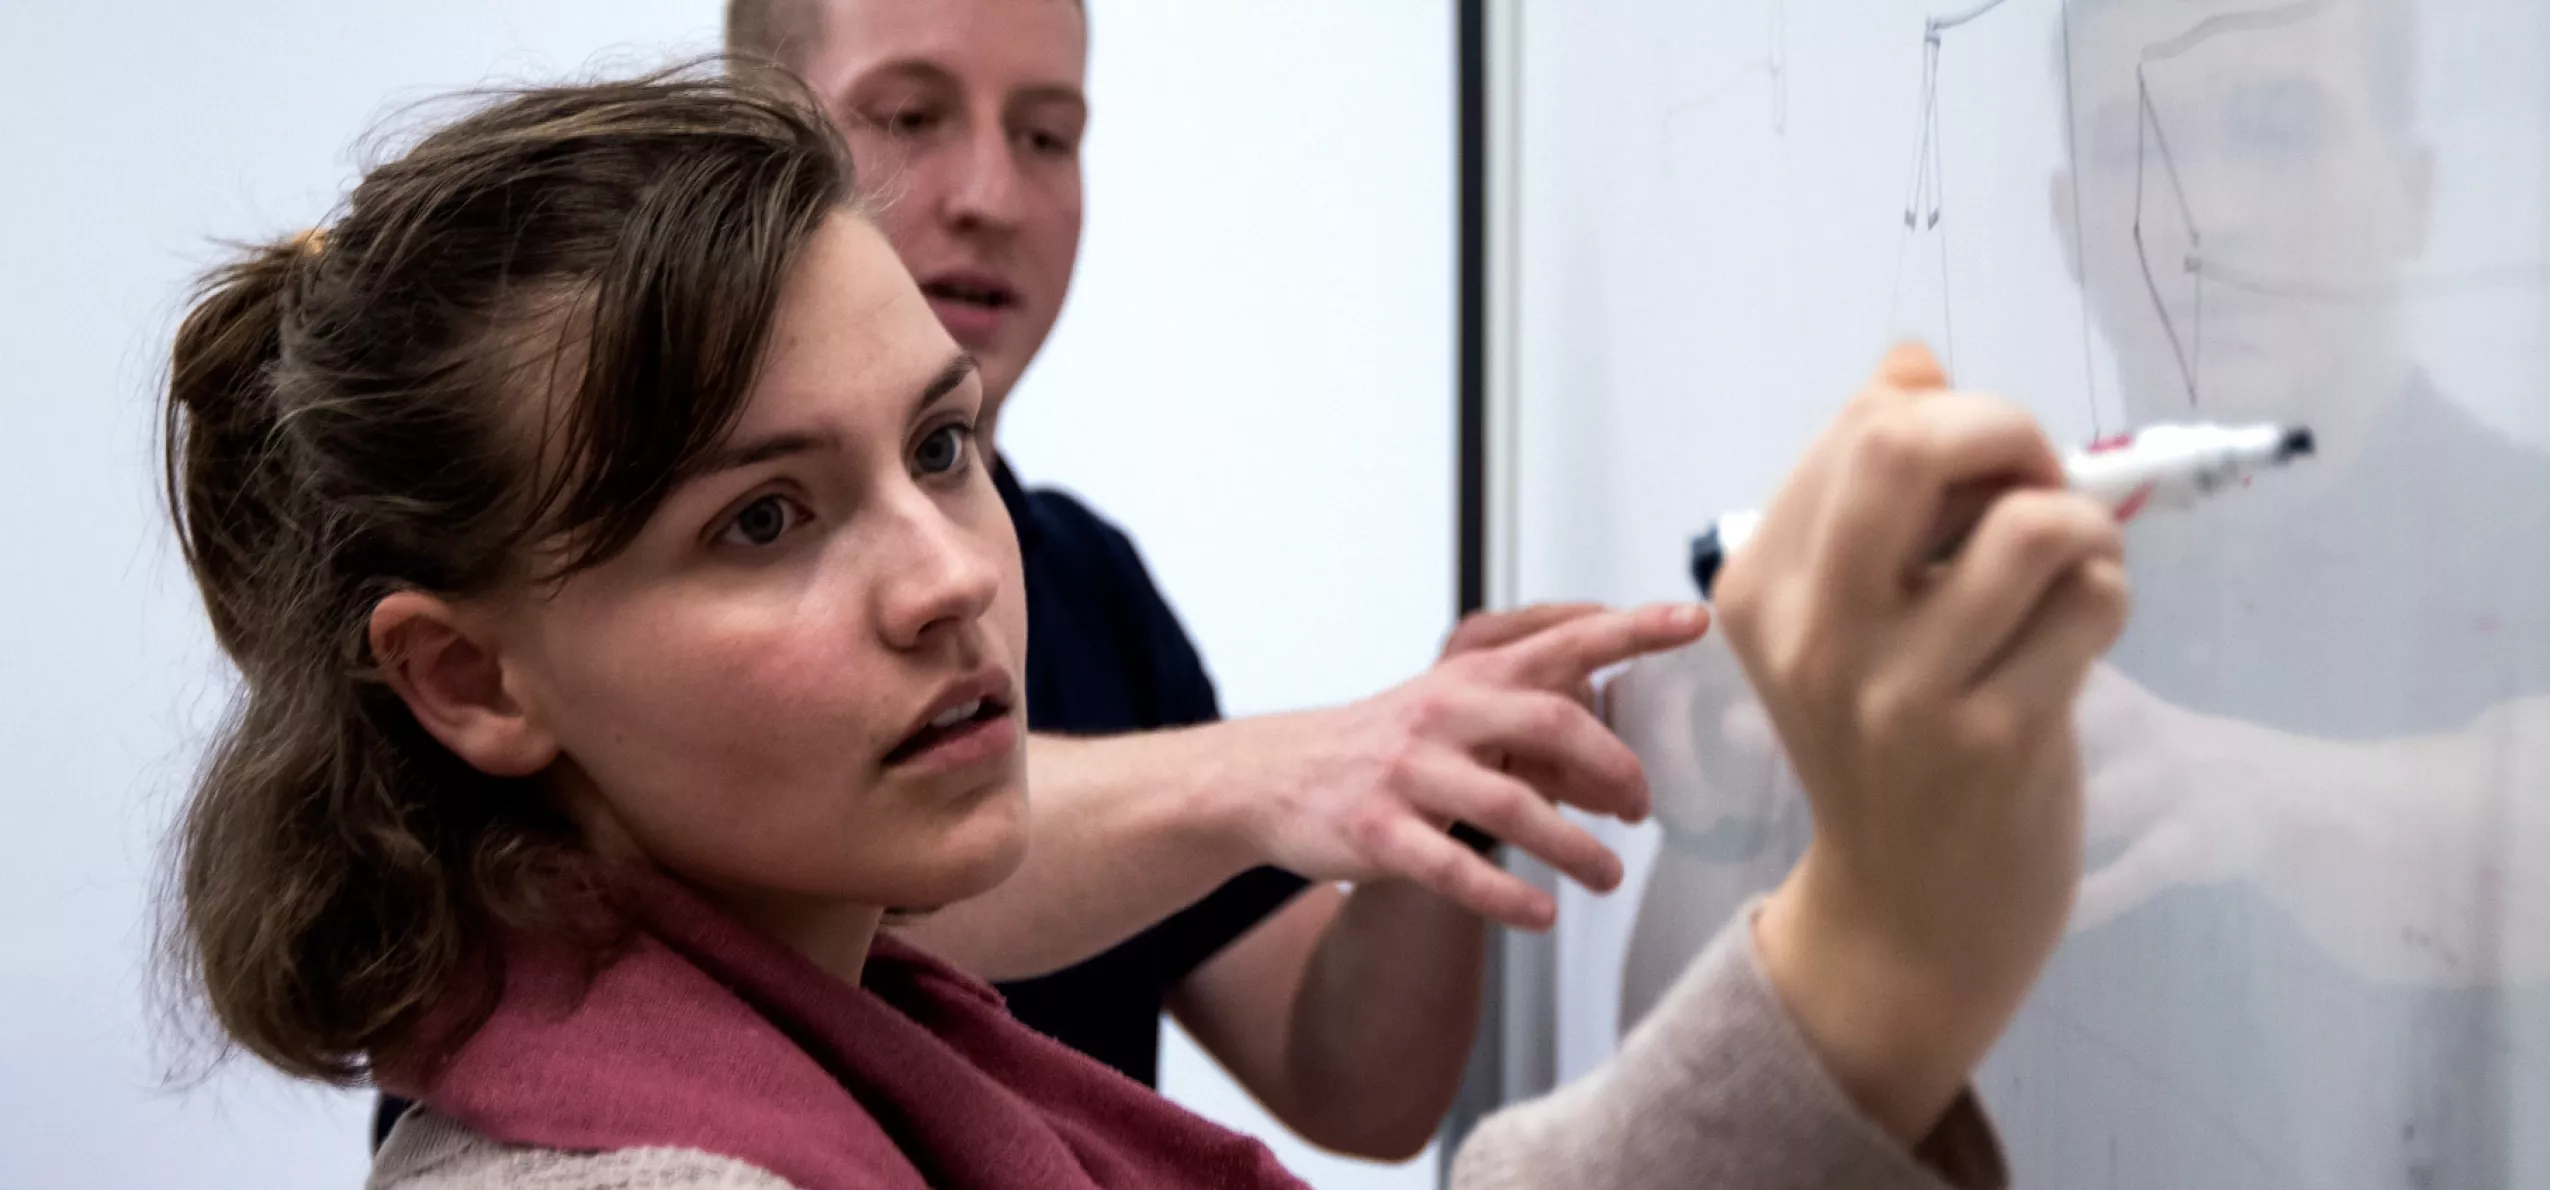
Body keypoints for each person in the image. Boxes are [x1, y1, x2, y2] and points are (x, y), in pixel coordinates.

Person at [160, 64, 2128, 1190]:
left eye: (943, 446)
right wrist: (1871, 960)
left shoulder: (864, 994)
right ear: (472, 679)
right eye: (763, 517)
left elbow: (1352, 1072)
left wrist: (1462, 790)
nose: (946, 572)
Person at [687, 0, 1688, 1158]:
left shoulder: (1094, 582)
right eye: (912, 115)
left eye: (1049, 135)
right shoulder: (680, 580)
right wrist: (1277, 769)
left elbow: (1355, 1082)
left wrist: (1449, 782)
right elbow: (805, 868)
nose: (991, 197)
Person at [2019, 0, 2550, 1185]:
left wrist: (2256, 793)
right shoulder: (1982, 610)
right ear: (2071, 222)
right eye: (2141, 144)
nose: (2211, 209)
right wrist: (1712, 802)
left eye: (2277, 129)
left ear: (2411, 192)